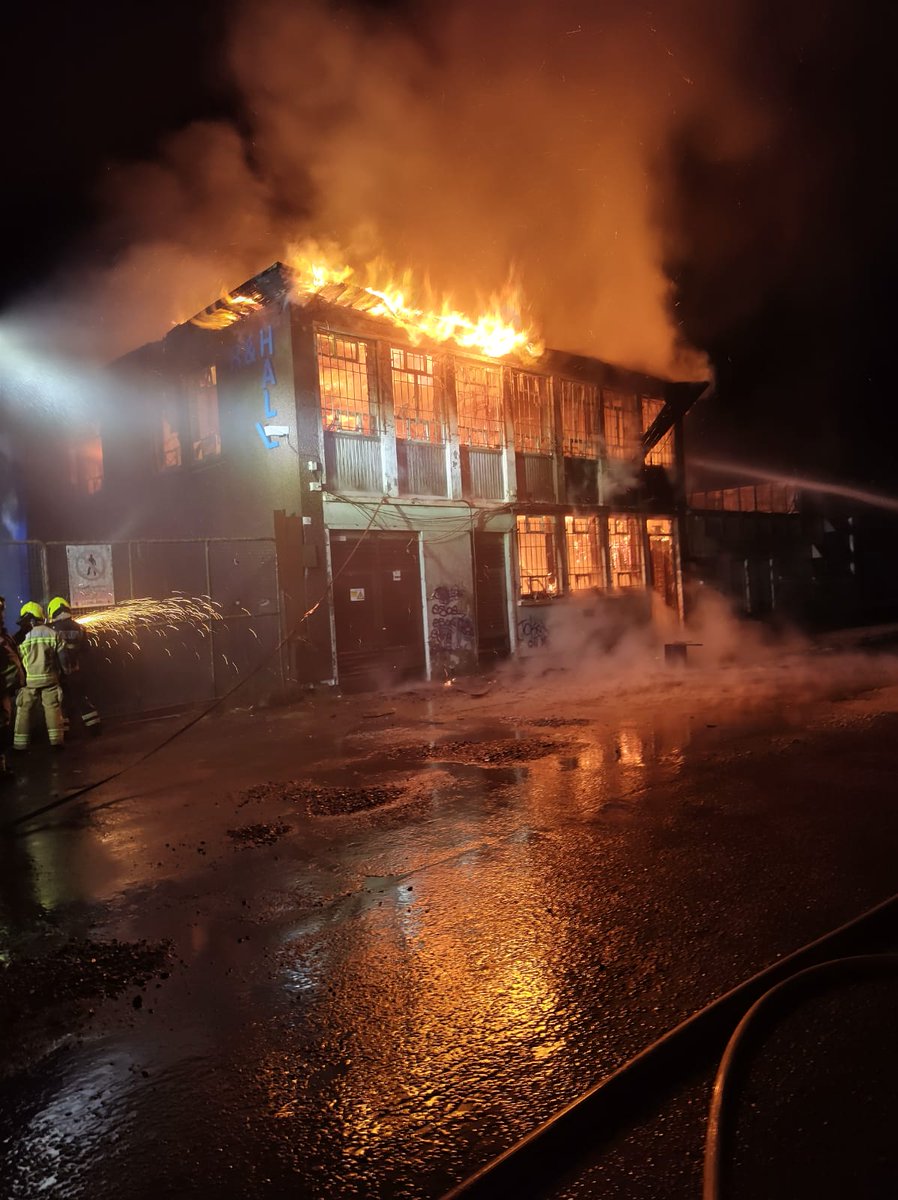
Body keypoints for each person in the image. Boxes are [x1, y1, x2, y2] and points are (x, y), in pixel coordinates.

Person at [13, 602, 65, 751]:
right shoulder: (53, 634)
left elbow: (16, 660)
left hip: (29, 681)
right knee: (52, 707)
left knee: (24, 709)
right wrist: (64, 672)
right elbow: (62, 658)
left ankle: (20, 745)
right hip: (50, 678)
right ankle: (56, 742)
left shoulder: (23, 637)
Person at [46, 596, 101, 736]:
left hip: (59, 672)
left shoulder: (51, 629)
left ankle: (64, 732)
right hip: (76, 670)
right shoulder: (80, 627)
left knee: (62, 703)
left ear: (53, 612)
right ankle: (94, 725)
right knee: (81, 698)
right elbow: (86, 650)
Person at [0, 597, 25, 779]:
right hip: (1, 691)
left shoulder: (4, 636)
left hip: (4, 691)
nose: (2, 613)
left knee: (3, 727)